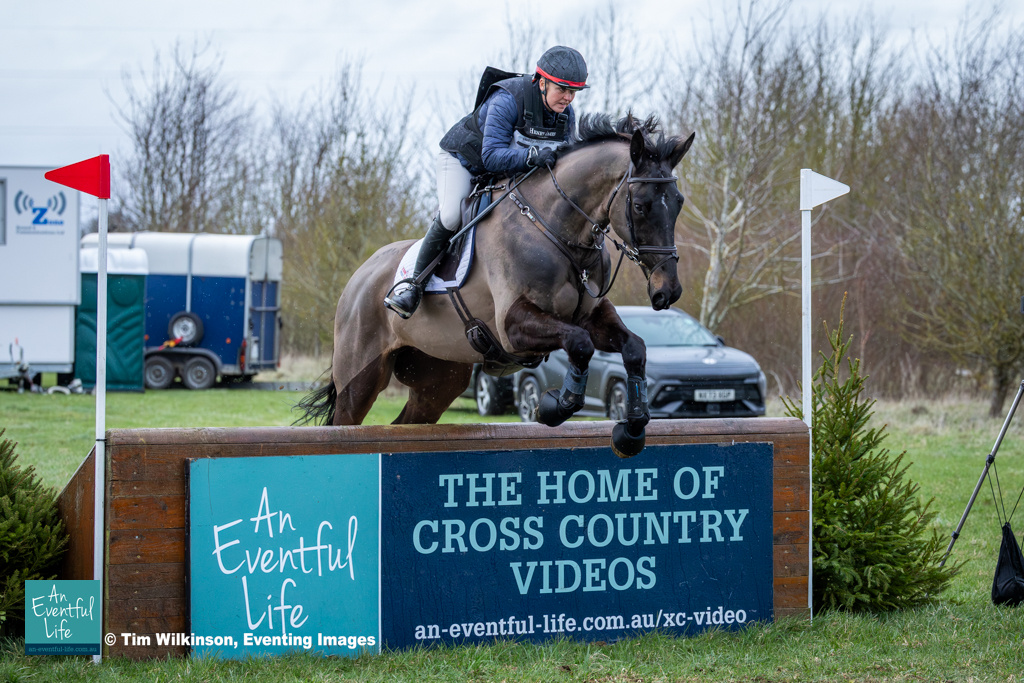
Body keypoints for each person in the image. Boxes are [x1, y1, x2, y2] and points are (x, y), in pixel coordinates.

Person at [384, 45, 589, 319]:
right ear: (541, 82)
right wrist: (532, 155)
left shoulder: (566, 115)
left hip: (505, 174)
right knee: (451, 215)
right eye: (562, 89)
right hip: (464, 163)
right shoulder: (508, 99)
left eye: (573, 92)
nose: (568, 98)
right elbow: (491, 157)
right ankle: (412, 287)